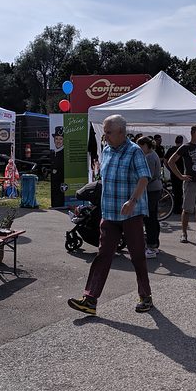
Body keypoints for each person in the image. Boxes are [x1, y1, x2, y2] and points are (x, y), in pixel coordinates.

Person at [67, 114, 152, 316]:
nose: (104, 136)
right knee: (103, 255)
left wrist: (132, 201)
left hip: (131, 214)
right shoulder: (106, 151)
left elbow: (144, 178)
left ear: (121, 133)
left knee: (137, 255)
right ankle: (90, 300)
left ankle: (145, 296)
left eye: (108, 132)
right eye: (104, 131)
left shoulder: (134, 151)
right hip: (110, 214)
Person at [167, 125, 196, 244]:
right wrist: (181, 176)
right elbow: (171, 161)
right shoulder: (185, 147)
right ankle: (184, 233)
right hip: (191, 183)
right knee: (187, 209)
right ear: (195, 133)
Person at [137, 136, 162, 259]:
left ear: (146, 145)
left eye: (141, 146)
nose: (139, 149)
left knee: (150, 218)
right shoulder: (152, 155)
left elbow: (148, 176)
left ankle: (152, 246)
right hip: (154, 189)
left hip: (152, 190)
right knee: (152, 217)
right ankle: (154, 244)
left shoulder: (149, 157)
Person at [164, 135, 185, 215]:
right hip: (182, 173)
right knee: (182, 191)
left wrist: (170, 169)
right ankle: (181, 208)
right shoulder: (182, 149)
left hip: (174, 173)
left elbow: (165, 161)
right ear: (182, 141)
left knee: (176, 191)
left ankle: (176, 208)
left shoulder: (171, 150)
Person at [50, 126, 65, 207]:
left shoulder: (64, 153)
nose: (58, 141)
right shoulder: (52, 153)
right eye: (56, 138)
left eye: (61, 139)